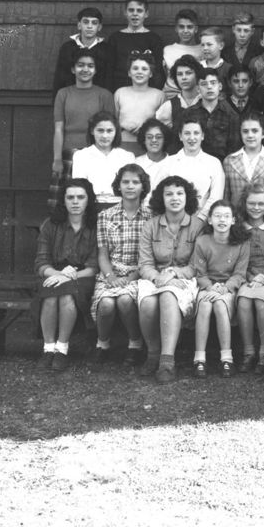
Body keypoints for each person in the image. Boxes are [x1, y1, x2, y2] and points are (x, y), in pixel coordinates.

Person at [136, 175, 205, 383]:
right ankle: (153, 354)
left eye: (179, 193)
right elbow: (145, 263)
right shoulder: (151, 225)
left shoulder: (198, 226)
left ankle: (167, 361)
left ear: (187, 197)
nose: (174, 198)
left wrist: (174, 273)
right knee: (147, 304)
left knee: (168, 295)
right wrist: (158, 277)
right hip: (155, 276)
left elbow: (196, 265)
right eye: (169, 194)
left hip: (185, 277)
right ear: (161, 198)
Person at [32, 178, 99, 371]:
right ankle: (48, 348)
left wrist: (69, 276)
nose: (75, 202)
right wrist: (59, 274)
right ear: (63, 200)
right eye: (70, 197)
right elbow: (41, 262)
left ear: (88, 200)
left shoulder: (95, 226)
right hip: (53, 272)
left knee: (67, 295)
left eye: (80, 197)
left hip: (83, 276)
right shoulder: (50, 225)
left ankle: (62, 349)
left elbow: (94, 266)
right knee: (51, 296)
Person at [90, 164, 152, 369]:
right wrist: (110, 276)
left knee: (126, 300)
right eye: (125, 182)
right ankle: (103, 343)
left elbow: (149, 257)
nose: (130, 186)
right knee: (106, 304)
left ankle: (135, 344)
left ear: (143, 186)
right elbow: (102, 254)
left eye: (135, 182)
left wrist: (132, 277)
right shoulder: (106, 216)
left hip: (139, 272)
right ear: (119, 185)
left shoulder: (151, 217)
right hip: (111, 272)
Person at [191, 199, 250, 378]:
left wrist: (225, 288)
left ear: (233, 220)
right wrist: (210, 287)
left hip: (228, 288)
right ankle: (199, 359)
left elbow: (240, 273)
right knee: (205, 305)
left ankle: (227, 358)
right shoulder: (202, 242)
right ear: (209, 220)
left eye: (226, 216)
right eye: (217, 216)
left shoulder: (241, 243)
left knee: (219, 305)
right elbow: (199, 273)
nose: (222, 220)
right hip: (207, 286)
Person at [51, 48, 114, 189]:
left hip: (96, 152)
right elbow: (58, 129)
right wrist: (57, 159)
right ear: (73, 69)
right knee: (67, 198)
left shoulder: (104, 95)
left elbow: (110, 130)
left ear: (96, 70)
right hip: (69, 152)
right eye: (80, 65)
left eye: (90, 66)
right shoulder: (63, 94)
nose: (85, 69)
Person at [235, 185, 264, 374]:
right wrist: (251, 277)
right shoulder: (239, 227)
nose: (256, 207)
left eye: (261, 203)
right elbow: (237, 259)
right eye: (252, 203)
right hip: (247, 275)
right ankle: (248, 352)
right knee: (244, 300)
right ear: (244, 204)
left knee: (262, 303)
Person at [223, 111, 264, 225]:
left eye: (255, 131)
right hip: (238, 223)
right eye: (245, 131)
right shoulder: (229, 161)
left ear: (263, 133)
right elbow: (226, 199)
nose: (250, 135)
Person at [159, 116, 225, 222]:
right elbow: (160, 193)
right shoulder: (168, 162)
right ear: (180, 136)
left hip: (202, 222)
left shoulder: (214, 163)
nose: (192, 138)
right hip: (173, 220)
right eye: (187, 133)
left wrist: (200, 219)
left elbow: (216, 196)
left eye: (196, 133)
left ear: (202, 136)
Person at [70, 111, 136, 210]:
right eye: (100, 130)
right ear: (92, 131)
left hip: (121, 207)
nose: (105, 136)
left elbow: (131, 188)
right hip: (92, 206)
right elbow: (80, 187)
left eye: (109, 131)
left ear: (116, 132)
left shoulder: (127, 156)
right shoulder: (81, 155)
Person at [101, 0, 166, 91]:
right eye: (131, 10)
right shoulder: (115, 38)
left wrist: (154, 91)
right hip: (119, 89)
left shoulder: (154, 39)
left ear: (146, 14)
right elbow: (109, 69)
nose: (135, 14)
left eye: (139, 10)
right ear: (125, 13)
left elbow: (157, 71)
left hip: (146, 90)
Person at [183, 67, 241, 160]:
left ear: (220, 86)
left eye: (213, 83)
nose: (209, 87)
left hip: (222, 164)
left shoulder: (231, 115)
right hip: (193, 162)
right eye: (204, 84)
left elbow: (234, 148)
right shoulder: (188, 114)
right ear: (198, 89)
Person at [114, 55, 166, 153]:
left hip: (149, 145)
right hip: (122, 144)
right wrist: (123, 125)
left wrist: (145, 128)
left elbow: (163, 124)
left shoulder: (159, 95)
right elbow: (113, 121)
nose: (139, 72)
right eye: (135, 68)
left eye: (144, 69)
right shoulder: (120, 93)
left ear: (150, 74)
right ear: (129, 73)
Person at [51, 6, 106, 94]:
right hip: (71, 99)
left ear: (99, 27)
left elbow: (108, 80)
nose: (89, 26)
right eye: (86, 22)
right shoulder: (67, 48)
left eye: (94, 23)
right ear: (79, 25)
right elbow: (60, 78)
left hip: (97, 100)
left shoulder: (106, 49)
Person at [156, 54, 203, 135]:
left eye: (188, 73)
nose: (184, 77)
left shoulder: (205, 101)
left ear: (197, 75)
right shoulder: (169, 106)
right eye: (180, 74)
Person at [161, 9, 201, 95]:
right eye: (181, 27)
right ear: (176, 28)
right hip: (171, 95)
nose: (185, 31)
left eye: (189, 27)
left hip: (197, 96)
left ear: (196, 29)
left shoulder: (203, 50)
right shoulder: (168, 50)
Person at [134, 118, 171, 198]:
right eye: (149, 137)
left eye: (159, 137)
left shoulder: (174, 163)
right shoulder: (136, 163)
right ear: (144, 140)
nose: (154, 140)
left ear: (165, 139)